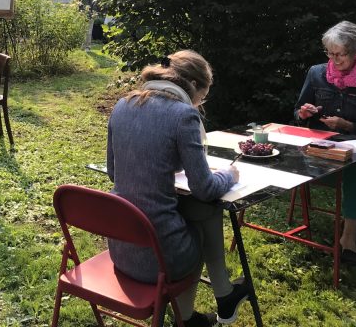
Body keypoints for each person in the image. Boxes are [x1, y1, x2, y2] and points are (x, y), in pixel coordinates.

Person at [106, 50, 249, 327]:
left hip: (121, 248)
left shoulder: (123, 104)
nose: (200, 104)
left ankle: (212, 303)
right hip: (160, 258)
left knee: (201, 210)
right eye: (203, 97)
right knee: (201, 219)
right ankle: (195, 312)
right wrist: (229, 175)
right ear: (194, 86)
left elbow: (114, 172)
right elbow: (206, 188)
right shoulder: (183, 115)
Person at [294, 20, 356, 277]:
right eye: (330, 53)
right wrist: (304, 113)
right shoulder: (316, 74)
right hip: (318, 156)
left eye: (341, 54)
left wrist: (348, 124)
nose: (334, 60)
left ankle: (349, 238)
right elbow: (297, 113)